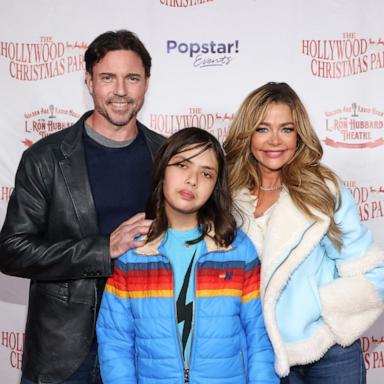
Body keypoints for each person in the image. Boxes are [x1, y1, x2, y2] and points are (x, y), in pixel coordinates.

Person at [0, 30, 165, 384]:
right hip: (65, 349)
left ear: (146, 83)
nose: (120, 90)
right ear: (89, 81)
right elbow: (12, 251)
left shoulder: (169, 157)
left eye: (132, 78)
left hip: (146, 343)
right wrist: (103, 249)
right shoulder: (45, 158)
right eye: (108, 77)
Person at [223, 82, 384, 384]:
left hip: (329, 351)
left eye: (286, 129)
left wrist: (320, 314)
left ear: (299, 136)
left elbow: (370, 269)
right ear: (247, 134)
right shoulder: (229, 197)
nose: (274, 140)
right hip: (260, 353)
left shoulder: (322, 188)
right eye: (262, 129)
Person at [96, 127, 279, 384]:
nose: (193, 180)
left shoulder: (237, 250)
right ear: (163, 170)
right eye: (182, 165)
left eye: (206, 173)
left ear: (216, 185)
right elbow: (115, 342)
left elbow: (260, 337)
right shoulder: (134, 254)